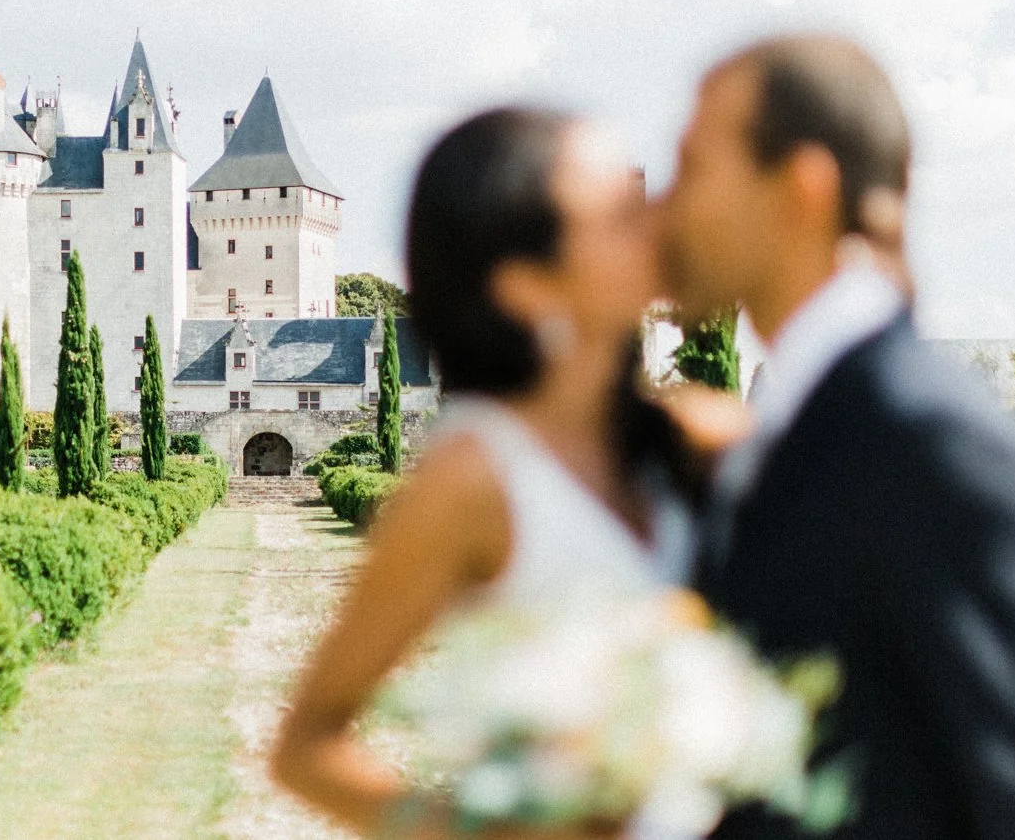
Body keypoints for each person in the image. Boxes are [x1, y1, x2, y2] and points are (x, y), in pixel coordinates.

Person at [659, 33, 1015, 840]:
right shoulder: (792, 427)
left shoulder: (931, 445)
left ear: (802, 186)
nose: (666, 206)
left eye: (693, 166)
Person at [270, 107, 709, 839]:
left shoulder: (700, 432)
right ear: (527, 285)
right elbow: (306, 743)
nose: (658, 218)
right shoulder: (474, 476)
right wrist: (473, 829)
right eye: (620, 213)